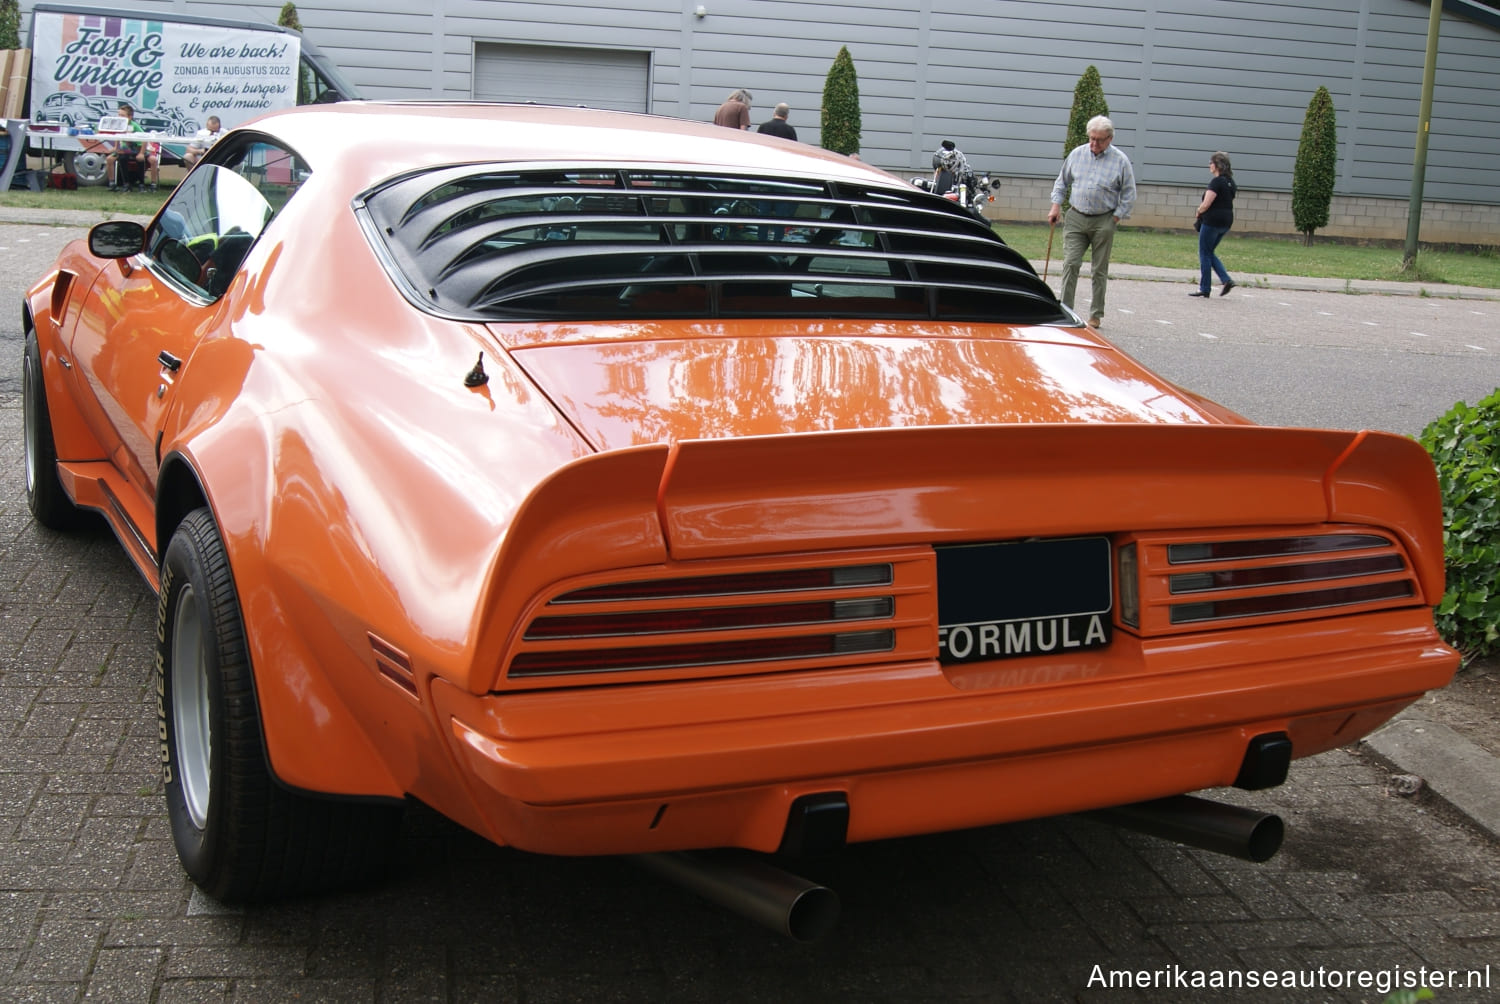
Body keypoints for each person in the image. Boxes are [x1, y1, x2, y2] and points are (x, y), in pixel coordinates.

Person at [1047, 115, 1136, 329]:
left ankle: (1096, 314)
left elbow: (1129, 193)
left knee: (1099, 269)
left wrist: (1115, 217)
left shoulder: (1120, 160)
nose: (1095, 143)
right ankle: (1066, 310)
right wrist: (1056, 206)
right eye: (1092, 138)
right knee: (1071, 263)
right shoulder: (1077, 154)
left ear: (1110, 139)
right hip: (1076, 216)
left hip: (1103, 219)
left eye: (1100, 140)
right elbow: (1062, 182)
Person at [1190, 151, 1238, 297]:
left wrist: (1199, 211)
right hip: (1226, 221)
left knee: (1204, 252)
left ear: (1217, 165)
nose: (1209, 166)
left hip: (1212, 221)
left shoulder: (1216, 182)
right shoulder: (1230, 182)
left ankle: (1205, 288)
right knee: (1209, 252)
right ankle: (1225, 280)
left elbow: (1207, 203)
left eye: (1211, 163)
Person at [104, 103, 159, 192]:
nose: (119, 117)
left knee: (152, 160)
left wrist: (141, 153)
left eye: (122, 115)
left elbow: (145, 138)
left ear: (129, 117)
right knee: (110, 159)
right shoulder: (118, 125)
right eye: (119, 115)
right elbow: (117, 136)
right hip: (125, 149)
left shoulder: (134, 126)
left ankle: (151, 184)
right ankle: (113, 184)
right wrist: (116, 147)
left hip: (138, 148)